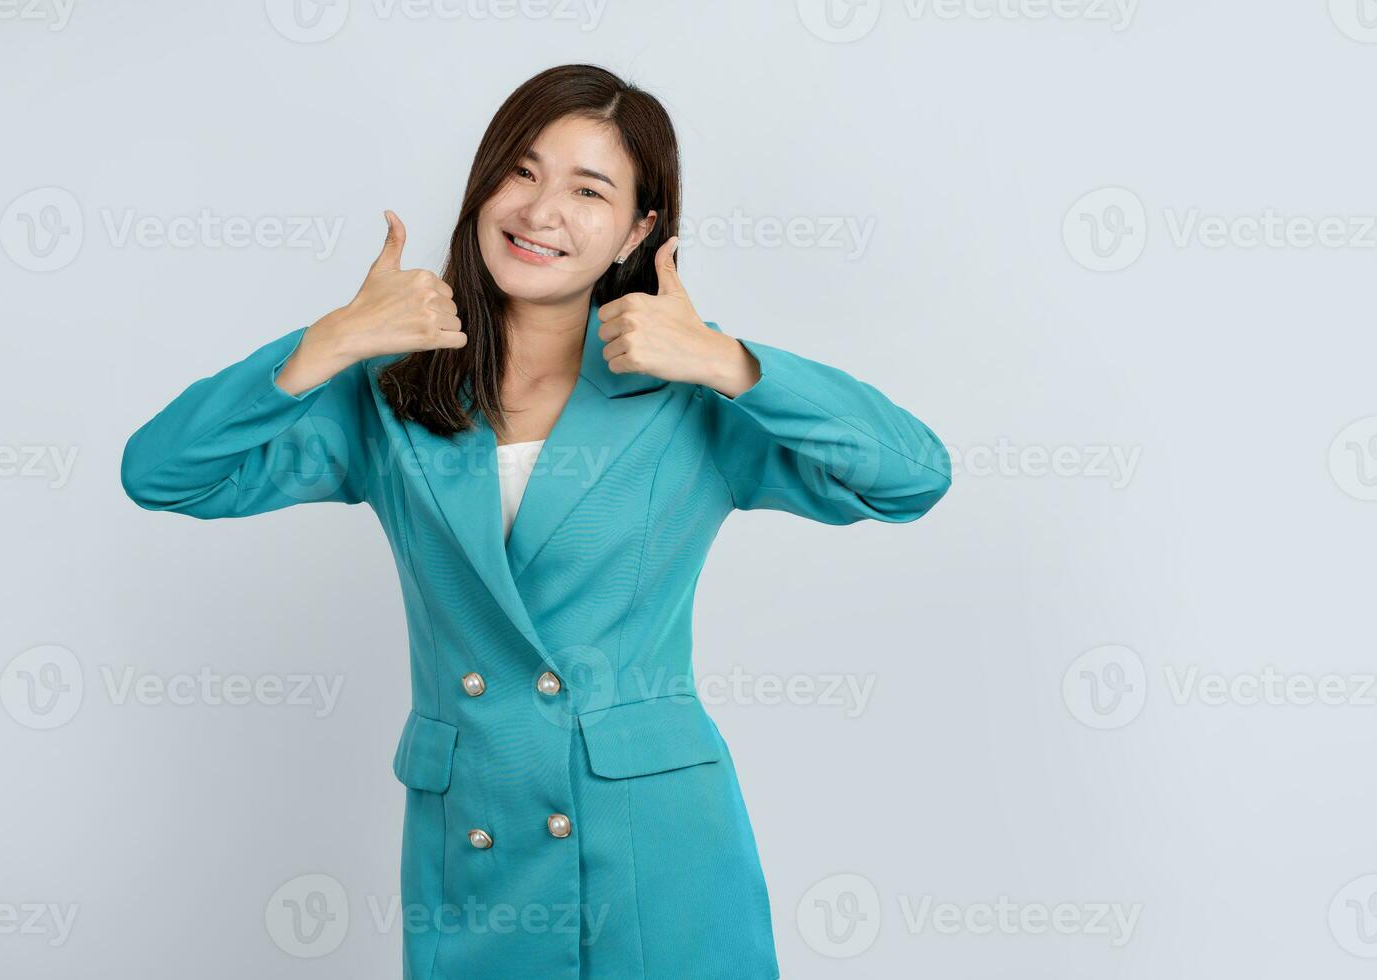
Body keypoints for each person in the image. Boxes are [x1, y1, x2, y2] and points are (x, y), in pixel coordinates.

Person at [120, 62, 952, 980]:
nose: (541, 210)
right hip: (477, 844)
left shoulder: (690, 396)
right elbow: (163, 475)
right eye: (521, 171)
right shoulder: (393, 393)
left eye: (589, 189)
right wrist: (332, 340)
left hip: (655, 848)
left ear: (641, 229)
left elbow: (911, 478)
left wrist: (727, 360)